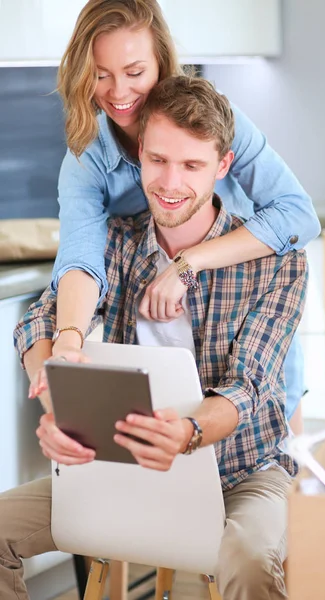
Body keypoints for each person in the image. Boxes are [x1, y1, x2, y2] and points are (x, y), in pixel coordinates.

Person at [8, 75, 308, 600]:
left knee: (249, 558)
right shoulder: (117, 246)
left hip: (243, 471)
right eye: (158, 160)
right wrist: (53, 396)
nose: (170, 183)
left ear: (223, 167)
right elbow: (39, 321)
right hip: (124, 467)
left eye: (192, 166)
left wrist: (189, 431)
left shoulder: (278, 264)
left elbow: (250, 387)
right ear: (139, 155)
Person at [21, 0, 319, 426]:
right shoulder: (87, 159)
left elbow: (298, 216)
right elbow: (81, 258)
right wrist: (69, 339)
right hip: (161, 372)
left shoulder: (220, 120)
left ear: (161, 63)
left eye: (135, 73)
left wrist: (189, 263)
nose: (118, 93)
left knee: (265, 459)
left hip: (241, 333)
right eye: (101, 75)